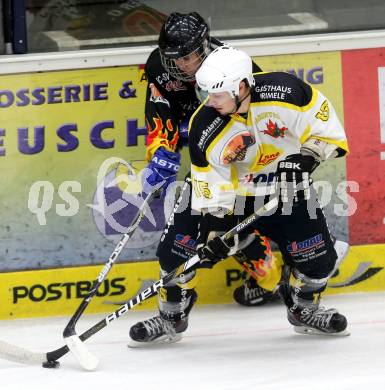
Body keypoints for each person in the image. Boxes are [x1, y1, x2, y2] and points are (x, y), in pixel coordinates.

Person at [128, 12, 292, 347]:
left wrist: (204, 134)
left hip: (241, 169)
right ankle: (172, 315)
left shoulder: (236, 70)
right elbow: (160, 114)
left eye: (186, 58)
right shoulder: (161, 66)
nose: (178, 65)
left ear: (204, 48)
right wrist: (161, 151)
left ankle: (271, 280)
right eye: (172, 58)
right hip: (204, 171)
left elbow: (259, 134)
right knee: (177, 244)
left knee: (228, 234)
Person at [188, 45, 350, 336]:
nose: (209, 101)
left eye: (217, 94)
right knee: (195, 243)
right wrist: (214, 230)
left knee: (320, 260)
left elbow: (326, 129)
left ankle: (304, 310)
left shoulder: (286, 93)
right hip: (240, 199)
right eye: (206, 93)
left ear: (241, 86)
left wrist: (306, 157)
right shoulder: (204, 124)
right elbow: (211, 183)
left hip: (290, 192)